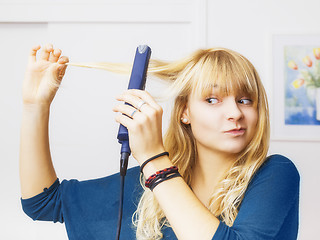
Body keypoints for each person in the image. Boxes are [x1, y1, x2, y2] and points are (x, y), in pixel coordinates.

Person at [20, 44, 300, 240]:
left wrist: (153, 158)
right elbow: (43, 202)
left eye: (245, 100)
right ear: (184, 112)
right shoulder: (145, 188)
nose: (235, 113)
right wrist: (35, 106)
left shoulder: (275, 175)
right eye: (212, 99)